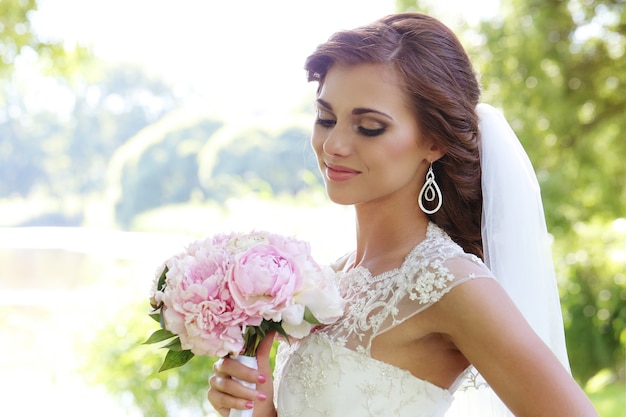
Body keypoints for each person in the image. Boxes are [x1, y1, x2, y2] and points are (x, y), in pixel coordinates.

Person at [207, 12, 600, 417]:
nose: (334, 144)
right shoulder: (328, 278)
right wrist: (256, 403)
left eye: (370, 127)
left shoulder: (450, 283)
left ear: (433, 142)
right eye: (326, 118)